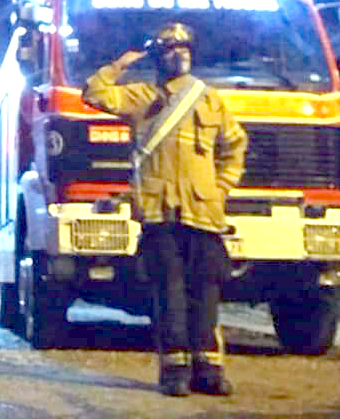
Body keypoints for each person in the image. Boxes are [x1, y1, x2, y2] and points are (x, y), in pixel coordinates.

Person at [82, 21, 247, 397]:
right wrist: (121, 63)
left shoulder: (209, 100)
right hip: (159, 215)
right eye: (172, 49)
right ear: (159, 58)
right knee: (169, 293)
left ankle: (209, 369)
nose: (180, 54)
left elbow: (235, 146)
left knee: (205, 293)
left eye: (185, 48)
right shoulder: (142, 97)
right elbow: (94, 93)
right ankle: (175, 371)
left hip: (202, 214)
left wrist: (219, 189)